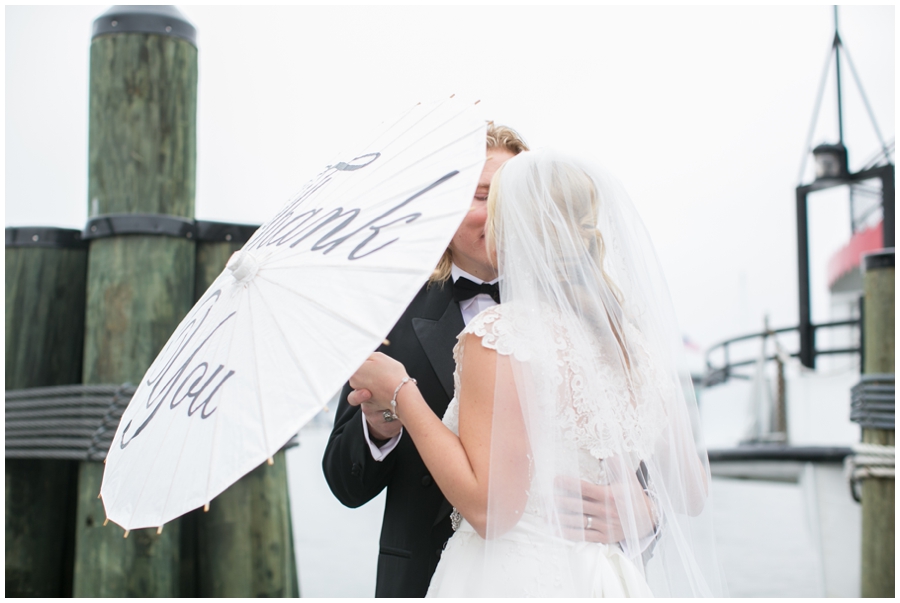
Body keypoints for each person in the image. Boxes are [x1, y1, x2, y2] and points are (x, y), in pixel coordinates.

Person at [347, 149, 724, 596]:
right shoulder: (631, 342)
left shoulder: (504, 332)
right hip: (599, 582)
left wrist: (401, 395)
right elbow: (694, 490)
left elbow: (493, 513)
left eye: (496, 200)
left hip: (503, 577)